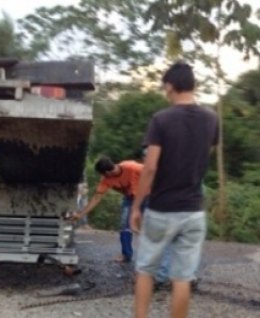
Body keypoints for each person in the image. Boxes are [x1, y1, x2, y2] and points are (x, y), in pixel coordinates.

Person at [130, 61, 218, 318]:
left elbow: (150, 168)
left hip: (162, 209)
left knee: (145, 269)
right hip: (194, 211)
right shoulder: (212, 119)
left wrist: (136, 206)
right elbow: (204, 155)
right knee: (182, 277)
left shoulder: (161, 119)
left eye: (164, 86)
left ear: (170, 85)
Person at [72, 157, 145, 263]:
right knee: (125, 226)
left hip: (149, 196)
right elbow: (97, 197)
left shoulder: (132, 167)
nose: (102, 177)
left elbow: (153, 172)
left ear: (107, 172)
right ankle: (126, 255)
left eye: (103, 174)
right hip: (130, 198)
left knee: (153, 225)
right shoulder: (106, 179)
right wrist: (81, 214)